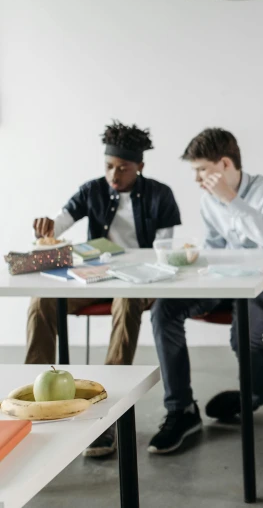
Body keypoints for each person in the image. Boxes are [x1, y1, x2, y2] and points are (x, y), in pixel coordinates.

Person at [28, 120, 181, 456]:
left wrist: (137, 267)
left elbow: (165, 251)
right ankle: (34, 401)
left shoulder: (161, 194)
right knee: (43, 302)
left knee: (126, 303)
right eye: (109, 166)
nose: (114, 175)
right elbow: (61, 220)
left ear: (140, 166)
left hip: (141, 281)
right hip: (96, 276)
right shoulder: (92, 190)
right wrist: (47, 227)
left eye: (123, 168)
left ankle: (107, 412)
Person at [147, 128, 263, 454]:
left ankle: (254, 395)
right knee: (164, 310)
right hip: (226, 278)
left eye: (201, 169)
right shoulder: (207, 201)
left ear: (224, 164)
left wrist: (231, 199)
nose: (197, 179)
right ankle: (181, 410)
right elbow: (215, 248)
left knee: (243, 331)